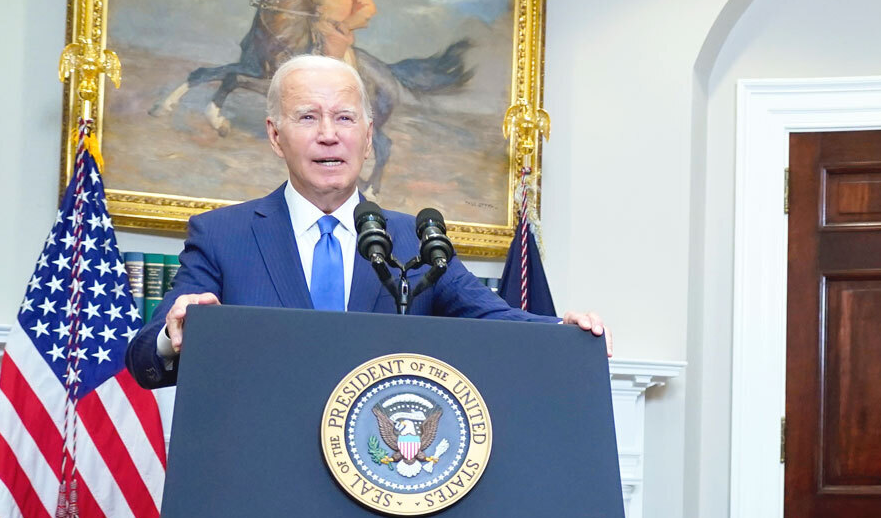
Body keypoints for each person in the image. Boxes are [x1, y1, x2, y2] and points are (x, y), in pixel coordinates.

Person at [127, 54, 603, 388]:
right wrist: (174, 335)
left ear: (369, 136)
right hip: (263, 480)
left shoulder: (415, 238)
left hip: (383, 479)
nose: (329, 136)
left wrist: (562, 331)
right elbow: (145, 358)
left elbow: (496, 319)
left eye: (346, 118)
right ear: (276, 136)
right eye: (308, 117)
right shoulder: (222, 235)